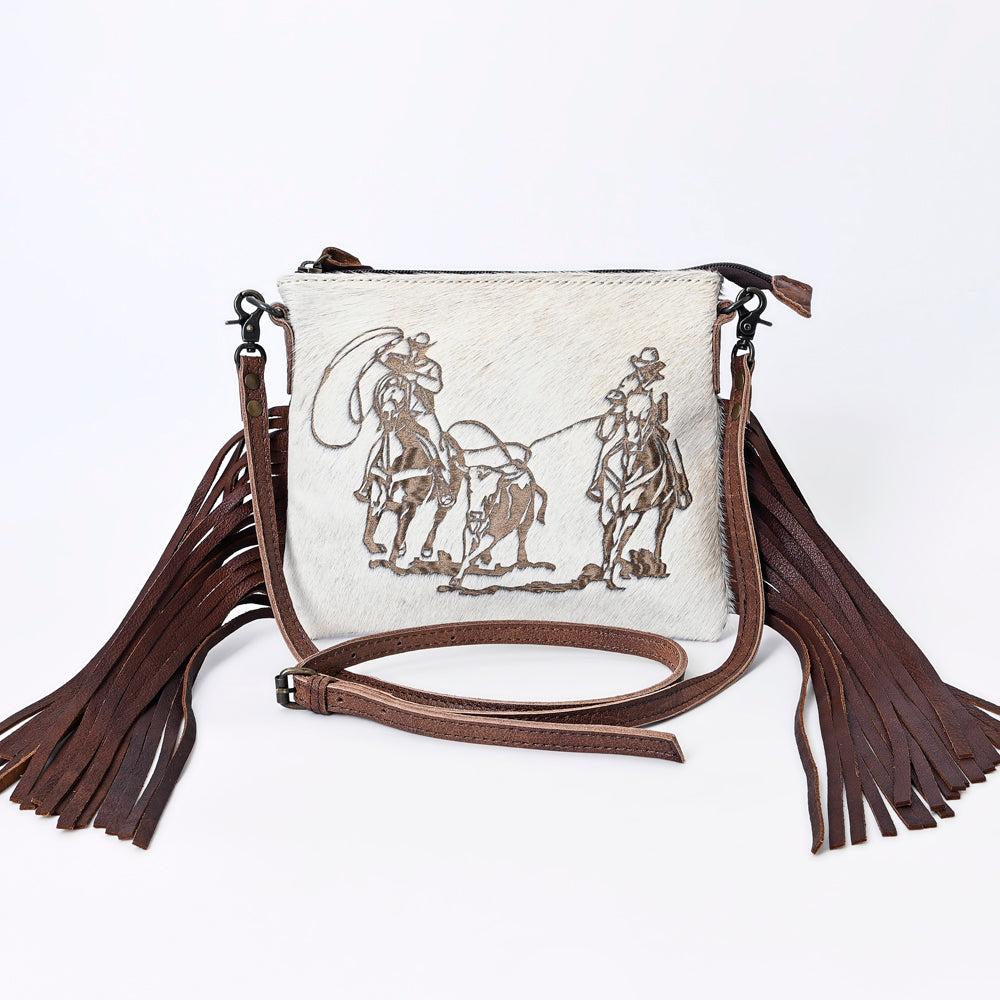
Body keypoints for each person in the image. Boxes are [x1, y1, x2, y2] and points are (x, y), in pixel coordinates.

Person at [586, 347, 667, 502]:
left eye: (649, 367)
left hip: (649, 423)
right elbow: (619, 397)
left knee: (669, 449)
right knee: (607, 448)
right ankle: (597, 484)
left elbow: (664, 416)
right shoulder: (630, 380)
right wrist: (618, 398)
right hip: (628, 421)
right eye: (644, 366)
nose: (646, 370)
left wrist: (654, 413)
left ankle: (679, 488)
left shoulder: (659, 385)